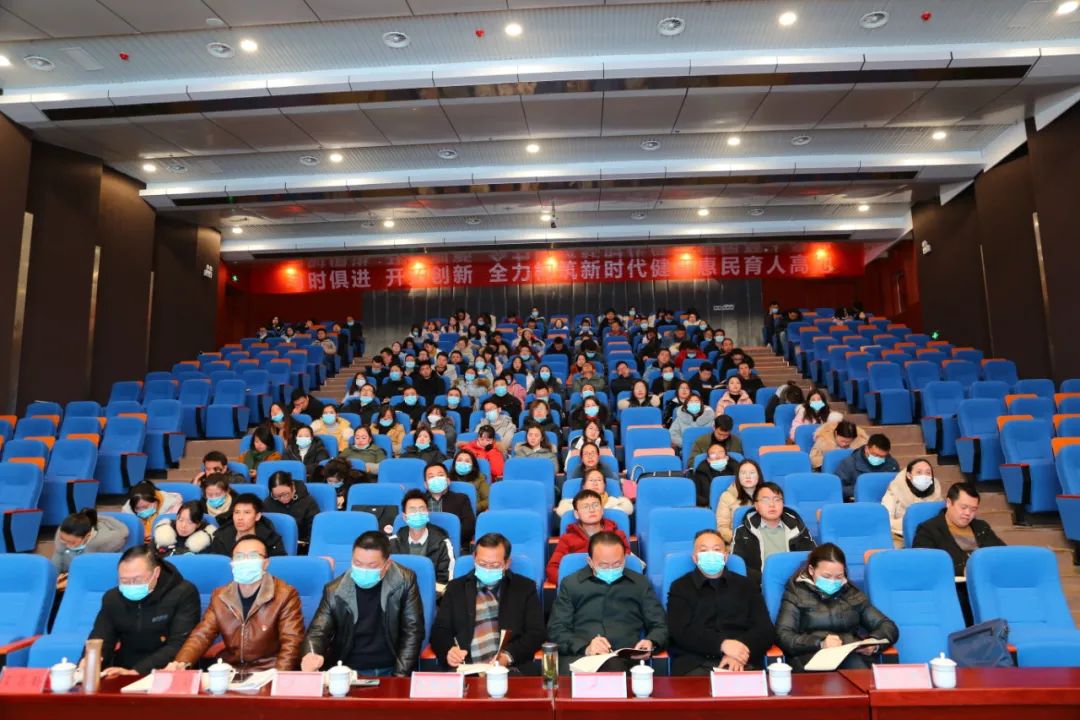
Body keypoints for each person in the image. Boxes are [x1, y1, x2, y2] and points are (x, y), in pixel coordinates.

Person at [167, 537, 304, 672]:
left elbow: (292, 642)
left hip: (269, 670)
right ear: (232, 563)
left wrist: (278, 677)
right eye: (239, 557)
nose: (245, 561)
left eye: (253, 556)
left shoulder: (285, 594)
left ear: (265, 563)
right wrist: (182, 663)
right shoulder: (220, 596)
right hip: (231, 671)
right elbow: (202, 635)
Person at [300, 531, 423, 677]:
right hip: (347, 669)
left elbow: (412, 632)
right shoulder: (335, 590)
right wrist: (311, 654)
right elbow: (317, 632)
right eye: (358, 564)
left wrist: (398, 677)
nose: (364, 570)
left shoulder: (405, 581)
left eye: (372, 565)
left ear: (387, 564)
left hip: (390, 667)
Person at [547, 531, 668, 673]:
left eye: (617, 564)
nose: (611, 569)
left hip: (624, 661)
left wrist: (651, 642)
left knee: (615, 668)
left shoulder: (640, 583)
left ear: (624, 559)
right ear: (590, 562)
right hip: (579, 658)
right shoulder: (571, 584)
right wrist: (586, 647)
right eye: (604, 566)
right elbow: (556, 629)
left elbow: (660, 625)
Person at [430, 532, 544, 673]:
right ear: (474, 559)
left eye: (495, 565)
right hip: (466, 668)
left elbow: (536, 632)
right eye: (482, 564)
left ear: (507, 563)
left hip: (510, 669)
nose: (488, 569)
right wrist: (449, 651)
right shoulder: (456, 588)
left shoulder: (524, 588)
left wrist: (508, 656)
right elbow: (440, 630)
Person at [775, 543, 899, 671]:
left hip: (851, 657)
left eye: (839, 576)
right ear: (811, 570)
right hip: (811, 659)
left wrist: (874, 643)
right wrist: (819, 643)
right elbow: (783, 636)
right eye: (826, 576)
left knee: (857, 666)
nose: (833, 582)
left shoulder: (851, 593)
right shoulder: (796, 594)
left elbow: (888, 626)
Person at [667, 529, 775, 675]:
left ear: (725, 556)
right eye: (703, 550)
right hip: (696, 663)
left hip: (743, 661)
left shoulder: (747, 586)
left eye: (716, 549)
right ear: (695, 558)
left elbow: (765, 629)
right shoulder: (680, 587)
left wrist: (738, 652)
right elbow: (679, 631)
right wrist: (722, 644)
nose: (710, 554)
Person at [80, 547, 200, 678]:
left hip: (167, 671)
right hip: (121, 671)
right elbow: (101, 636)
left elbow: (180, 643)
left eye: (137, 580)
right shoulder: (113, 598)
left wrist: (137, 671)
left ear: (156, 572)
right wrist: (91, 659)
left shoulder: (183, 593)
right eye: (124, 580)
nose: (131, 585)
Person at [912, 482, 1004, 624]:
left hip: (987, 586)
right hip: (954, 591)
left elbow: (1002, 555)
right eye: (963, 507)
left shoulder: (981, 527)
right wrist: (963, 570)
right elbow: (924, 566)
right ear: (949, 503)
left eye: (973, 509)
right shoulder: (929, 529)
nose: (968, 513)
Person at [731, 483, 816, 585]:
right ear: (756, 505)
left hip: (795, 585)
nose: (772, 504)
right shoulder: (743, 532)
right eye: (765, 500)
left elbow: (812, 559)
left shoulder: (798, 528)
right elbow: (738, 566)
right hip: (758, 585)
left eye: (777, 500)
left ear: (783, 504)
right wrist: (763, 581)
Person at [546, 490, 633, 584]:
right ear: (576, 514)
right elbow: (552, 569)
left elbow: (626, 565)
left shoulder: (618, 535)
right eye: (585, 506)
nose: (592, 510)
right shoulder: (567, 539)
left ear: (602, 510)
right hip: (579, 588)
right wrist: (571, 585)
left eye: (595, 505)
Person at [389, 490, 456, 592]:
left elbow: (446, 582)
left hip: (432, 595)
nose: (418, 513)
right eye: (412, 510)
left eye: (422, 509)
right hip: (400, 595)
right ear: (405, 517)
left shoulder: (442, 542)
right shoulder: (393, 542)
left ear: (427, 513)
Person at [51, 508, 130, 590]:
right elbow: (54, 567)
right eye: (63, 540)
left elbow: (110, 573)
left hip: (98, 583)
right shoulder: (62, 543)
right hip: (70, 580)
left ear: (87, 536)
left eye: (72, 542)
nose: (67, 545)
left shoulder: (105, 543)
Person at [882, 458, 943, 545]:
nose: (924, 476)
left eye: (928, 473)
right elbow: (885, 520)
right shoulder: (894, 491)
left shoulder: (936, 493)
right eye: (919, 472)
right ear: (909, 475)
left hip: (930, 538)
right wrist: (910, 522)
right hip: (899, 539)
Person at [207, 493, 287, 557]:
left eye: (247, 512)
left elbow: (278, 567)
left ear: (257, 516)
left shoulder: (271, 540)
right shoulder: (221, 538)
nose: (240, 518)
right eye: (237, 512)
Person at [423, 462, 476, 553]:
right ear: (426, 485)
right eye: (431, 477)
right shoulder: (418, 501)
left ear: (448, 481)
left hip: (455, 547)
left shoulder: (461, 499)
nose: (436, 479)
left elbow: (469, 528)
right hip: (425, 547)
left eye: (440, 475)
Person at [834, 433, 900, 500]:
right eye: (875, 455)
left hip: (885, 501)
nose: (878, 458)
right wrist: (859, 489)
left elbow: (898, 487)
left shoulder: (892, 465)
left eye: (882, 456)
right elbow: (836, 488)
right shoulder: (849, 463)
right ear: (866, 449)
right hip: (858, 501)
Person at [264, 472, 319, 548]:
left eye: (285, 494)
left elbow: (315, 530)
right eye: (276, 496)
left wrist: (304, 543)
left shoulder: (308, 502)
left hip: (302, 546)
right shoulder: (268, 503)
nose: (282, 499)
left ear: (292, 487)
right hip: (275, 546)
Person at [715, 459, 764, 543]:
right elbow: (721, 527)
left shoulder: (767, 495)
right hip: (737, 542)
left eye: (752, 473)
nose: (748, 476)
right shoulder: (727, 496)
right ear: (738, 477)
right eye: (743, 473)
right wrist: (739, 539)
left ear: (758, 476)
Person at [555, 468, 633, 517]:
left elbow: (628, 510)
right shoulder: (571, 504)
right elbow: (562, 511)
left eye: (599, 480)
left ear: (604, 485)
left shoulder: (616, 503)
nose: (595, 483)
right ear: (584, 486)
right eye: (591, 480)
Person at [692, 442, 736, 508]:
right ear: (708, 460)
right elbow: (696, 496)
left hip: (733, 506)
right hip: (709, 507)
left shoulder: (736, 471)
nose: (717, 457)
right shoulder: (701, 472)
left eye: (720, 453)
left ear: (727, 457)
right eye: (713, 454)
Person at [449, 447, 493, 511]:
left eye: (467, 461)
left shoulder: (479, 478)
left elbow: (489, 499)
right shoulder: (447, 479)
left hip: (473, 513)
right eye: (459, 460)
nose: (463, 463)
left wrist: (475, 507)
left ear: (472, 465)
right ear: (454, 463)